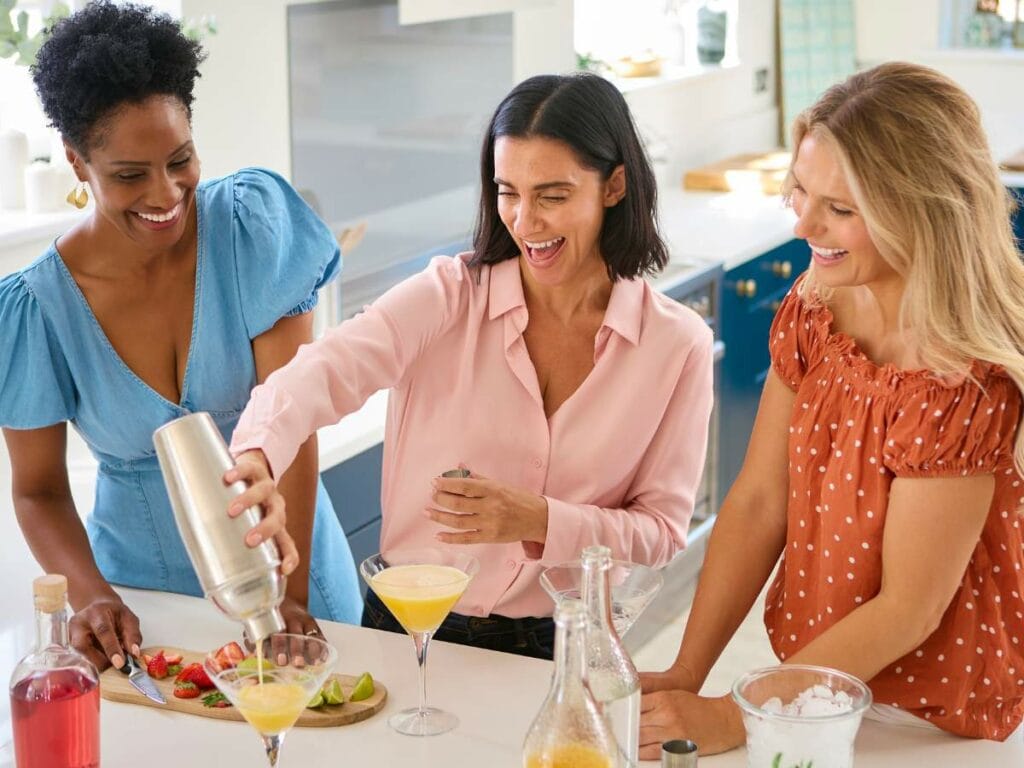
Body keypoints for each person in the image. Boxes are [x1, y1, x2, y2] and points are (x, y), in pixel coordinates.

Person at [228, 72, 715, 660]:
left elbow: (659, 536)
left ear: (614, 187)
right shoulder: (447, 295)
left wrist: (540, 520)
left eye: (553, 195)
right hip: (411, 630)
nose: (526, 221)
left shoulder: (676, 345)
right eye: (508, 191)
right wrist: (257, 453)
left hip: (561, 646)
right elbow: (322, 372)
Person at [638, 61, 1024, 757]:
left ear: (923, 211)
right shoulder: (816, 309)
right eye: (800, 192)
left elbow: (910, 608)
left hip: (923, 720)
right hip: (811, 683)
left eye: (841, 209)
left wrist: (737, 716)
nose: (806, 223)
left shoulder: (960, 382)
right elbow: (759, 502)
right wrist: (688, 672)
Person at [0, 1, 362, 672]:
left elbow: (297, 420)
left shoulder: (252, 229)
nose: (166, 194)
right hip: (150, 614)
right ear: (79, 164)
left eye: (181, 159)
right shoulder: (36, 310)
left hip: (298, 584)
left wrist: (291, 593)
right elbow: (37, 490)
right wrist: (91, 596)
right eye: (129, 175)